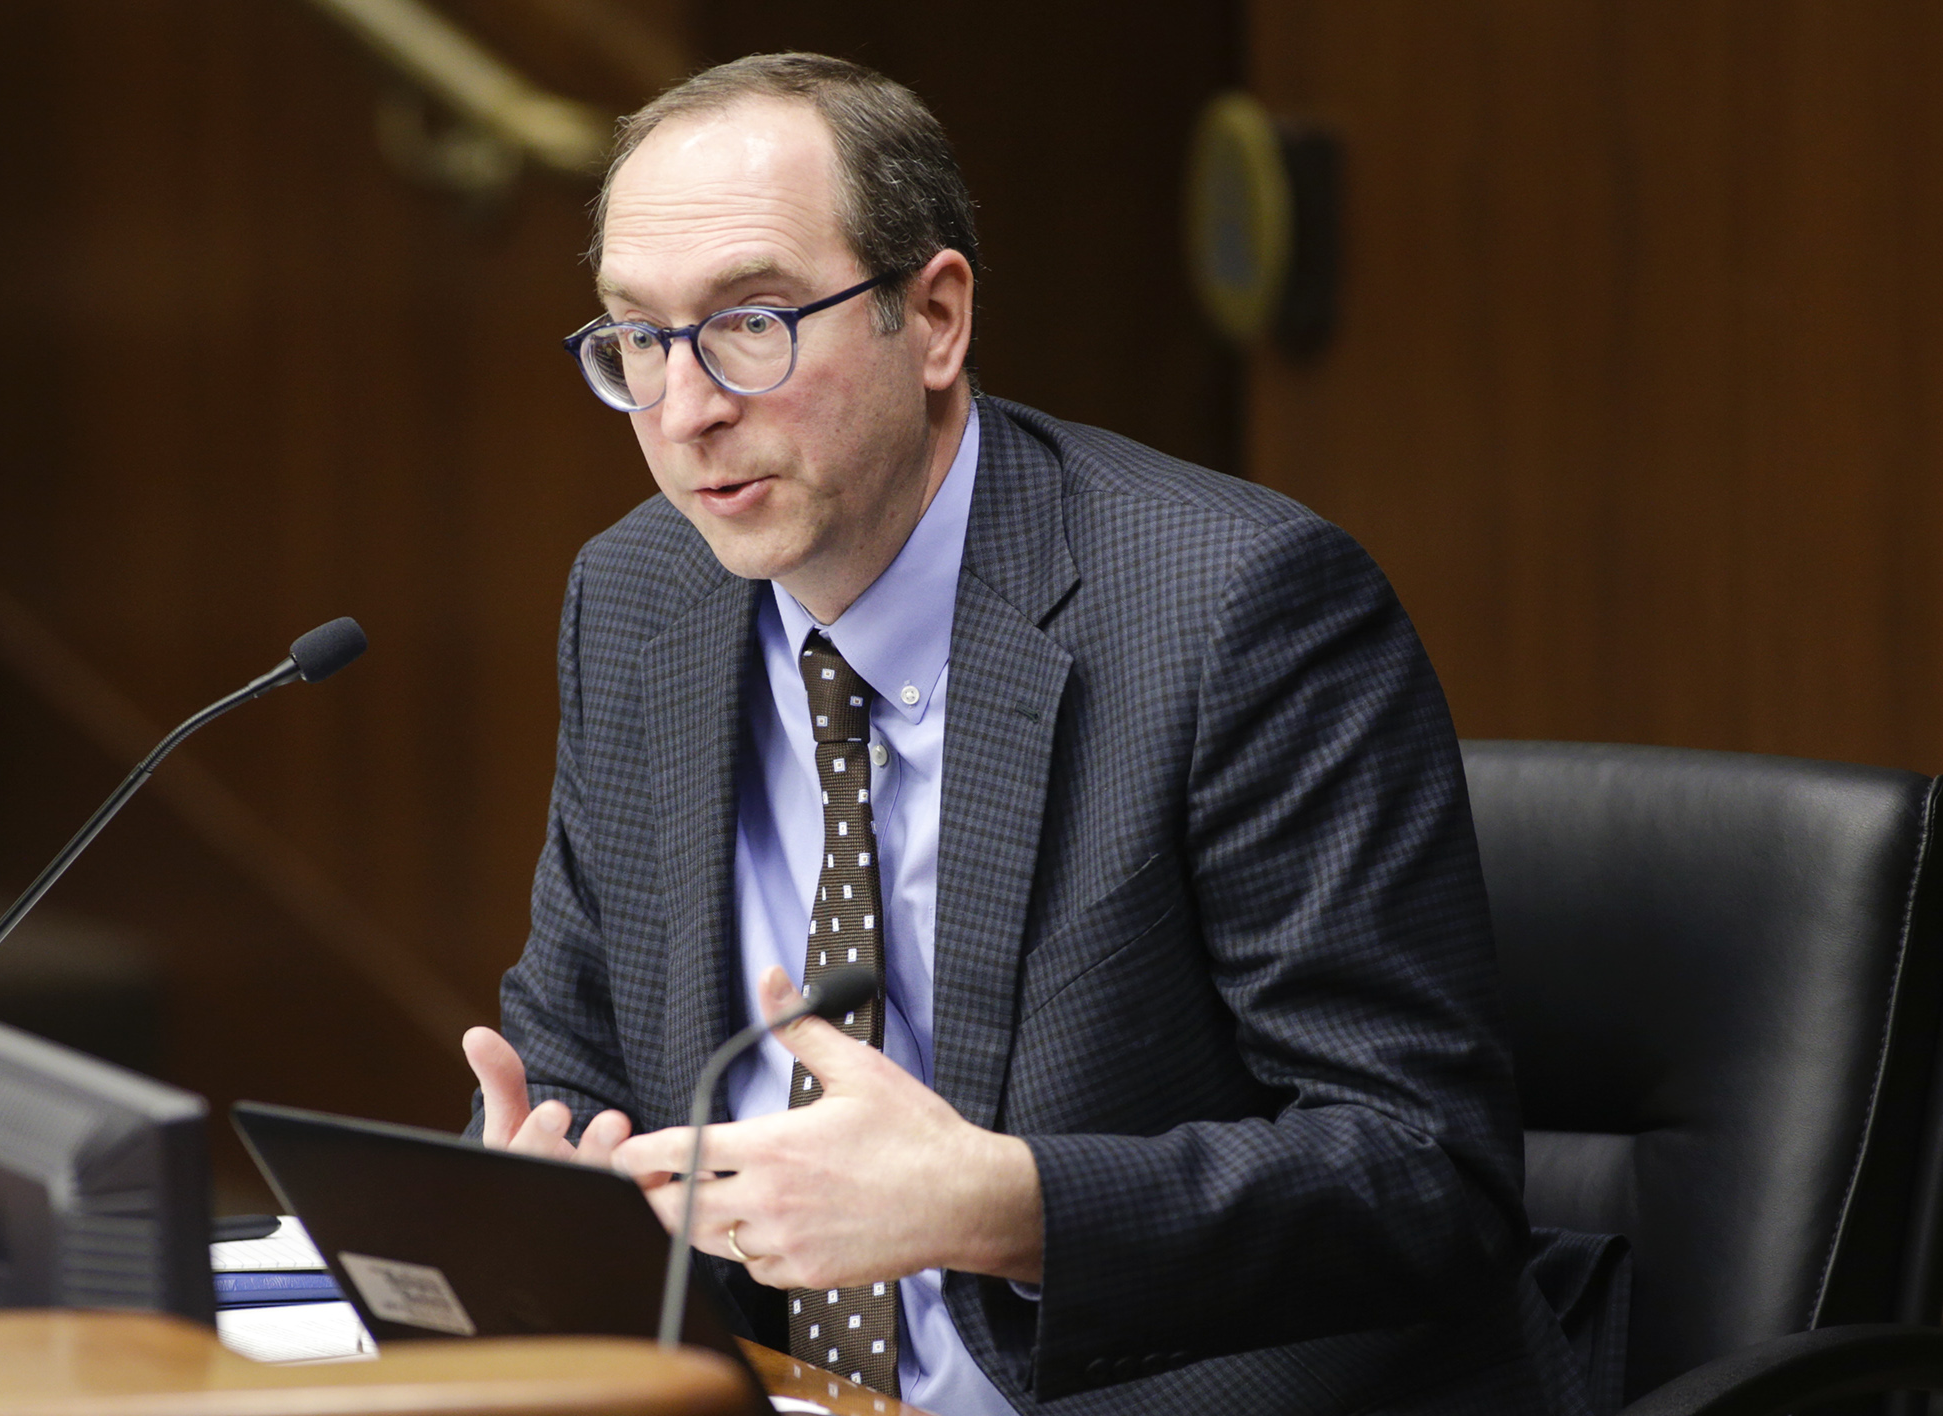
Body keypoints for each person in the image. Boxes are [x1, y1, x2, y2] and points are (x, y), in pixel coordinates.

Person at [464, 52, 1592, 1416]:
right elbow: (574, 1053)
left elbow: (1427, 1178)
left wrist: (1005, 1204)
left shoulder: (1234, 612)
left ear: (932, 317)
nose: (686, 407)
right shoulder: (643, 598)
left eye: (751, 322)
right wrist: (535, 1178)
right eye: (637, 339)